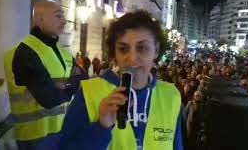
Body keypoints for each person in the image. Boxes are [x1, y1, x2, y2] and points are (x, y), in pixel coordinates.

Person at [59, 10, 183, 150]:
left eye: (142, 48)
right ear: (114, 53)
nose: (132, 58)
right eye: (123, 49)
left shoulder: (171, 96)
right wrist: (101, 127)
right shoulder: (89, 93)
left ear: (156, 50)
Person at [4, 1, 88, 150]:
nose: (64, 21)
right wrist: (72, 82)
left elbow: (84, 81)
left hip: (62, 132)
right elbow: (49, 98)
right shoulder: (25, 52)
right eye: (58, 16)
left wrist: (64, 85)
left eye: (64, 16)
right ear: (40, 19)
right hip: (35, 137)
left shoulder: (63, 52)